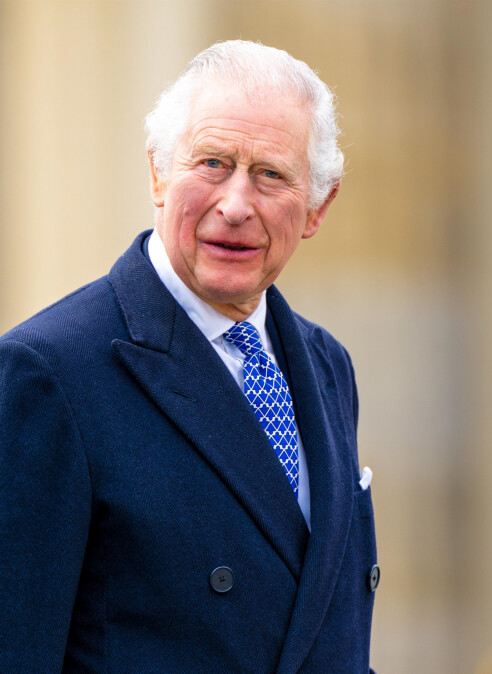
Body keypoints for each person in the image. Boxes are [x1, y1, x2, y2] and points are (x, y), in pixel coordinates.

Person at [0, 40, 378, 673]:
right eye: (212, 162)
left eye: (270, 175)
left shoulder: (326, 365)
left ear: (317, 206)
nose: (235, 205)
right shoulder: (48, 373)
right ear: (157, 173)